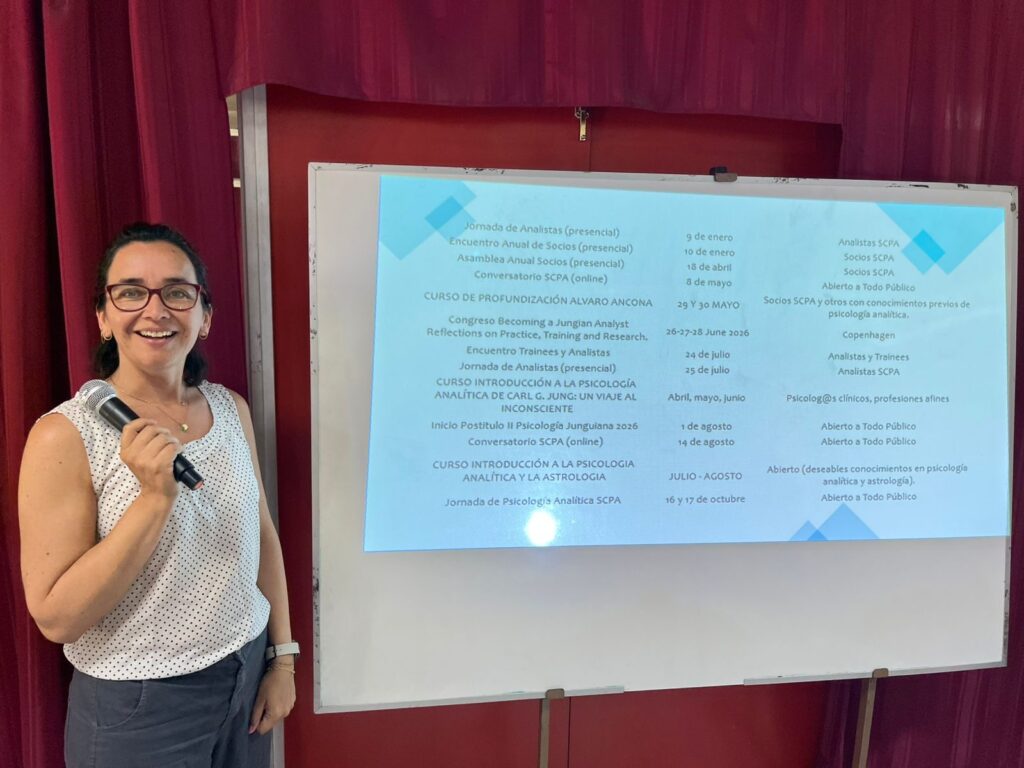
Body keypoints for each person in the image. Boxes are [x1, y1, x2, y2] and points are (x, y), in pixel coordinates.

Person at [18, 222, 295, 768]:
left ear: (204, 316)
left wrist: (281, 660)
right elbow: (56, 618)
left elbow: (261, 534)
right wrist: (153, 499)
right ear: (103, 317)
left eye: (176, 292)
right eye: (130, 292)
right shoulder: (64, 434)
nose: (156, 309)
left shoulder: (230, 408)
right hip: (139, 705)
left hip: (245, 672)